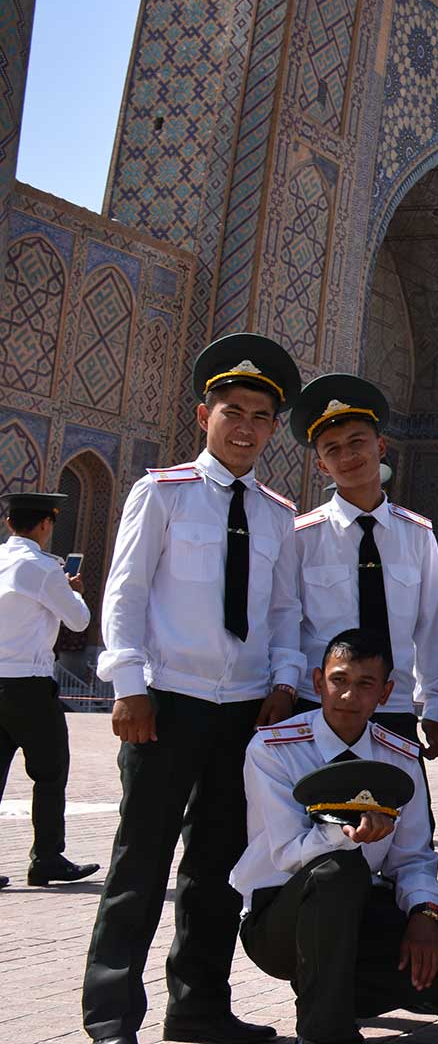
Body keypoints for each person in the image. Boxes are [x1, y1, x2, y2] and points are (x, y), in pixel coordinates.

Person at [83, 332, 304, 1044]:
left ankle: (198, 1008)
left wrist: (282, 681)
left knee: (216, 868)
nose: (244, 427)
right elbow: (125, 593)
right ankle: (112, 1011)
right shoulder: (164, 491)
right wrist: (128, 682)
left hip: (243, 709)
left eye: (259, 416)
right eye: (232, 411)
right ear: (203, 412)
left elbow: (282, 612)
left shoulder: (276, 513)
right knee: (140, 860)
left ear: (273, 427)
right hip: (167, 701)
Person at [232, 628, 438, 1044]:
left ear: (385, 693)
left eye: (365, 684)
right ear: (317, 682)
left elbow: (412, 857)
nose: (348, 696)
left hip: (360, 909)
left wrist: (423, 915)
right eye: (338, 680)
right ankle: (324, 1031)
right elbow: (289, 853)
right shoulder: (273, 749)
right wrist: (347, 836)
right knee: (337, 871)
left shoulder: (399, 757)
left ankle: (337, 995)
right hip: (279, 919)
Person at [287, 374, 438, 755]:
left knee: (404, 812)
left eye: (357, 442)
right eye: (332, 449)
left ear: (380, 445)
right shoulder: (301, 537)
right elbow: (283, 622)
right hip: (320, 704)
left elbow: (432, 626)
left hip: (391, 704)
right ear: (322, 467)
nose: (347, 457)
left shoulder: (417, 535)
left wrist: (436, 703)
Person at [0, 491, 99, 888]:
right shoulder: (42, 568)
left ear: (10, 524)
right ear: (45, 524)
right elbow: (77, 620)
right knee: (50, 770)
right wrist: (71, 590)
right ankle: (47, 858)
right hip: (28, 687)